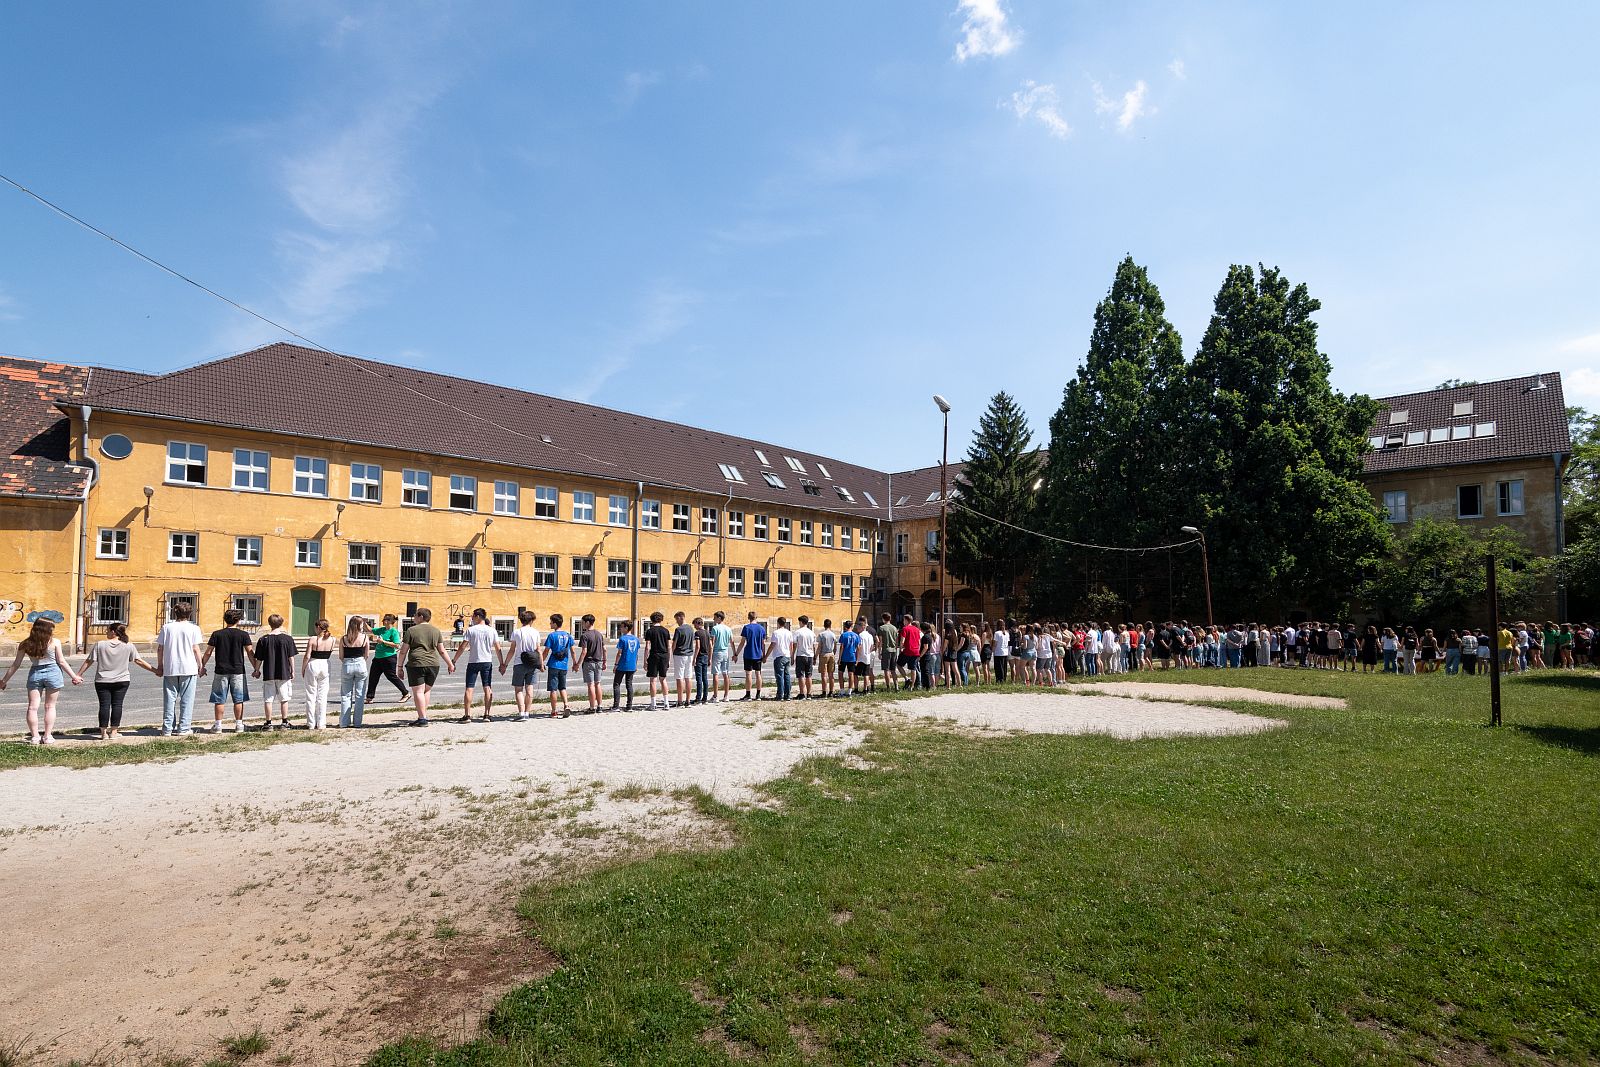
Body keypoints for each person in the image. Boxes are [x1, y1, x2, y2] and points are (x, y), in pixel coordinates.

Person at [1, 618, 82, 744]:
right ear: (46, 629)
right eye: (51, 628)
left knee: (32, 707)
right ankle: (47, 736)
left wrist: (4, 681)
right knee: (50, 706)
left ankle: (35, 737)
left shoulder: (25, 644)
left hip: (35, 673)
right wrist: (74, 676)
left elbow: (16, 664)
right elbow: (61, 661)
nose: (52, 631)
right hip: (53, 673)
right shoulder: (54, 642)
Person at [77, 622, 155, 739]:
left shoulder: (100, 645)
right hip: (122, 680)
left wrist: (78, 674)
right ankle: (114, 732)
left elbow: (89, 661)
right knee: (117, 705)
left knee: (104, 705)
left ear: (113, 632)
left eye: (107, 630)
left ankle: (103, 733)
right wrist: (155, 670)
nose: (106, 633)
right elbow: (139, 661)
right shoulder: (128, 645)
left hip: (102, 680)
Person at [200, 609, 255, 733]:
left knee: (219, 698)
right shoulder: (243, 635)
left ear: (225, 620)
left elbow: (208, 652)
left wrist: (201, 666)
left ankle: (218, 725)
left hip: (221, 670)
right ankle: (239, 725)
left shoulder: (217, 634)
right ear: (238, 620)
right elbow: (250, 653)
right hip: (238, 670)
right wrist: (256, 668)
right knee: (238, 698)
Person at [154, 601, 204, 737]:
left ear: (175, 613)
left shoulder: (166, 627)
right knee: (187, 700)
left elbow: (160, 648)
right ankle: (184, 727)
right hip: (188, 667)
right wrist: (201, 665)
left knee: (169, 699)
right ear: (190, 613)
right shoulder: (194, 628)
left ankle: (167, 728)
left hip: (171, 667)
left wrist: (160, 665)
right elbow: (195, 649)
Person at [399, 607, 454, 726]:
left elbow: (403, 651)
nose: (414, 617)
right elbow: (442, 650)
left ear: (421, 617)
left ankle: (422, 718)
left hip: (417, 663)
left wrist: (399, 666)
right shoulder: (436, 630)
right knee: (426, 690)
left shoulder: (411, 630)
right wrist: (450, 664)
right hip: (433, 663)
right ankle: (424, 715)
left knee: (418, 691)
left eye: (415, 615)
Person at [252, 614, 298, 729]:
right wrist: (293, 670)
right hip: (284, 672)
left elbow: (259, 658)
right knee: (284, 698)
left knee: (268, 699)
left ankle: (268, 723)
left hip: (269, 672)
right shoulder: (287, 639)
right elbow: (291, 657)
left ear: (269, 624)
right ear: (281, 623)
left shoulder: (263, 639)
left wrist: (256, 670)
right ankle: (284, 722)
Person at [498, 610, 543, 720]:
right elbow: (539, 650)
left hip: (519, 663)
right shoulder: (535, 632)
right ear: (531, 620)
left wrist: (505, 664)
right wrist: (541, 664)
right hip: (532, 664)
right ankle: (527, 713)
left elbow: (512, 650)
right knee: (529, 689)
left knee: (518, 689)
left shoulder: (516, 632)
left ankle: (521, 713)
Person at [460, 608, 500, 721]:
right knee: (487, 687)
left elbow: (463, 646)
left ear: (478, 616)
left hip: (473, 661)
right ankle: (487, 714)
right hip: (487, 661)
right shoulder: (492, 630)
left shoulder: (471, 630)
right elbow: (498, 648)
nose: (472, 618)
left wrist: (454, 660)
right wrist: (502, 663)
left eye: (473, 616)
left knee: (469, 688)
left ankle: (467, 715)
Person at [365, 613, 409, 703]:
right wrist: (363, 621)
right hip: (378, 657)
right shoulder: (382, 630)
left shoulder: (393, 631)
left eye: (385, 620)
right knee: (373, 677)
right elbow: (370, 630)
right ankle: (369, 697)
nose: (383, 621)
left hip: (389, 657)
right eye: (384, 620)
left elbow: (397, 645)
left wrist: (383, 641)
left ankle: (406, 693)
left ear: (390, 621)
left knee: (391, 677)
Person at [302, 618, 337, 730]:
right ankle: (321, 723)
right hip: (325, 664)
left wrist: (303, 668)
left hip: (313, 663)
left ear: (318, 627)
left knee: (311, 695)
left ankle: (311, 723)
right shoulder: (333, 639)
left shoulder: (313, 639)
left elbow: (307, 656)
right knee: (322, 696)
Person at [338, 618, 373, 727]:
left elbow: (341, 656)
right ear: (359, 625)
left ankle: (344, 722)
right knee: (360, 695)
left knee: (346, 695)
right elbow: (367, 654)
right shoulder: (364, 638)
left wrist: (347, 661)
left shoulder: (344, 638)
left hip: (347, 664)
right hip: (360, 663)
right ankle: (357, 722)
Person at [543, 613, 575, 717]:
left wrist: (541, 662)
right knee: (562, 687)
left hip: (553, 664)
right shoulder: (568, 635)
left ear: (555, 624)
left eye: (551, 622)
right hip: (564, 664)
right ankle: (566, 705)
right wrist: (575, 663)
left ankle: (553, 710)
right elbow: (573, 651)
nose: (550, 624)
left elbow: (546, 651)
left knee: (553, 689)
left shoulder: (551, 636)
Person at [575, 614, 608, 713]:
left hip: (589, 662)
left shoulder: (584, 636)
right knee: (598, 684)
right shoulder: (599, 634)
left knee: (590, 685)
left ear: (588, 622)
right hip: (598, 662)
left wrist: (577, 664)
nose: (582, 625)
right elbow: (604, 649)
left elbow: (584, 651)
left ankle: (592, 707)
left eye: (583, 622)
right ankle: (600, 706)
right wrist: (604, 661)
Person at [644, 611, 672, 709]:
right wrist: (669, 658)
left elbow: (647, 647)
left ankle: (653, 703)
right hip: (664, 655)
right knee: (663, 679)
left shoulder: (649, 631)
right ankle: (666, 703)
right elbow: (669, 646)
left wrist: (645, 660)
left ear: (652, 620)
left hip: (654, 655)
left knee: (653, 680)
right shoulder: (666, 631)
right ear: (661, 619)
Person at [737, 612, 766, 701]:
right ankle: (758, 695)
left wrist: (736, 654)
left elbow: (742, 642)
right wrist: (764, 655)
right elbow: (763, 643)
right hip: (758, 653)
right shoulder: (761, 628)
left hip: (749, 653)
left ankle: (748, 694)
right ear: (756, 617)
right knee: (758, 674)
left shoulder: (746, 627)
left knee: (748, 674)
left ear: (748, 618)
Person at [612, 620, 641, 711]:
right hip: (632, 665)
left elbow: (619, 653)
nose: (620, 628)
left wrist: (616, 664)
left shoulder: (623, 639)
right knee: (629, 685)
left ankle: (616, 706)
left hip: (622, 664)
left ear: (626, 628)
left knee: (616, 684)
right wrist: (635, 664)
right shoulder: (636, 639)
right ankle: (629, 706)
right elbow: (636, 653)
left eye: (622, 627)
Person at [671, 611, 696, 708]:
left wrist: (671, 654)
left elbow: (674, 644)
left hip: (680, 654)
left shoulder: (679, 629)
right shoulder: (691, 628)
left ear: (681, 617)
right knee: (688, 677)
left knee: (679, 678)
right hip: (689, 654)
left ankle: (680, 701)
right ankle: (688, 700)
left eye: (677, 619)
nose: (676, 622)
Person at [768, 616, 795, 701]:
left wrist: (766, 655)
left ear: (778, 623)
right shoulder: (789, 633)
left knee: (779, 676)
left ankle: (780, 694)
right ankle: (788, 695)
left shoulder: (776, 633)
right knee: (787, 675)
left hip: (779, 656)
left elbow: (772, 645)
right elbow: (791, 646)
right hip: (787, 656)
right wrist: (792, 656)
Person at [710, 611, 734, 702]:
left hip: (717, 652)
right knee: (725, 673)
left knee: (715, 674)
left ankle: (715, 696)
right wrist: (735, 653)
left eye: (715, 617)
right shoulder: (728, 629)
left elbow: (712, 642)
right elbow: (731, 642)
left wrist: (710, 654)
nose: (713, 619)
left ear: (719, 618)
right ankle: (726, 695)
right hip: (725, 652)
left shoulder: (715, 628)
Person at [792, 616, 817, 700]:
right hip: (810, 655)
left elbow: (794, 645)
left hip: (801, 655)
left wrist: (792, 656)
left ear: (802, 622)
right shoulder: (812, 633)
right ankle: (809, 694)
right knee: (809, 675)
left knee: (801, 675)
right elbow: (813, 646)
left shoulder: (798, 632)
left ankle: (802, 693)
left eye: (799, 622)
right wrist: (814, 657)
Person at [836, 617, 860, 697]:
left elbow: (842, 647)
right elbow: (858, 648)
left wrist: (839, 658)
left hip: (844, 657)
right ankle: (849, 691)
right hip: (852, 657)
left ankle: (842, 691)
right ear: (852, 627)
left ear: (845, 627)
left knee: (840, 673)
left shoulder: (843, 635)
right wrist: (857, 658)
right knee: (851, 674)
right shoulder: (856, 635)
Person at [816, 619, 839, 698]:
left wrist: (815, 656)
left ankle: (824, 692)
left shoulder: (821, 634)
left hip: (824, 654)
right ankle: (831, 691)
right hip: (831, 654)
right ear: (830, 625)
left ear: (824, 625)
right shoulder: (833, 634)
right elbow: (835, 646)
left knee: (824, 675)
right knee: (831, 674)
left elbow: (819, 647)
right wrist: (834, 653)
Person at [901, 614, 924, 688]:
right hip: (916, 651)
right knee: (913, 669)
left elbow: (902, 641)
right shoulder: (917, 629)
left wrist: (901, 648)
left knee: (899, 664)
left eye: (904, 620)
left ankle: (907, 679)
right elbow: (919, 641)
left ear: (906, 620)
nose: (903, 621)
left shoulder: (905, 629)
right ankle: (912, 686)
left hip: (908, 650)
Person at [877, 613, 901, 689]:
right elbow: (897, 641)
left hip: (886, 650)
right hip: (894, 650)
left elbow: (880, 641)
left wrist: (879, 652)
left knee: (886, 670)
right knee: (893, 669)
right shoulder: (894, 628)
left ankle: (888, 687)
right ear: (890, 619)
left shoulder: (881, 628)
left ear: (883, 619)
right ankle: (896, 686)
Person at [692, 617, 712, 705]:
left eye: (694, 625)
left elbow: (698, 646)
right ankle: (705, 698)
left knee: (699, 678)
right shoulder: (707, 633)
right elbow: (711, 646)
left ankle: (698, 698)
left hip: (700, 657)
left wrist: (694, 658)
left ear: (697, 623)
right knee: (705, 678)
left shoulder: (697, 633)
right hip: (706, 656)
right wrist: (710, 658)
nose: (694, 627)